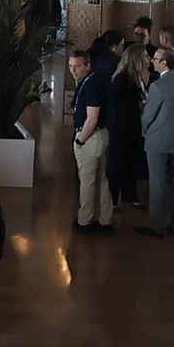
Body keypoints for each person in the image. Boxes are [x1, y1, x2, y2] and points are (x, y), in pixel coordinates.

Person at [138, 47, 174, 239]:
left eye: (156, 59)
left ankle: (155, 225)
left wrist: (144, 130)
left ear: (164, 63)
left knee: (158, 183)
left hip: (158, 139)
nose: (152, 61)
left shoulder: (158, 86)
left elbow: (148, 115)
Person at [69, 49, 113, 235]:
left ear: (87, 65)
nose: (73, 70)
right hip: (98, 135)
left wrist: (80, 141)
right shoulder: (90, 81)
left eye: (77, 66)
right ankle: (105, 219)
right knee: (102, 179)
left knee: (87, 180)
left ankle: (84, 220)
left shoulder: (91, 85)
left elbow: (92, 118)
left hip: (90, 137)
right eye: (71, 66)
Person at [106, 42, 151, 211]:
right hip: (121, 128)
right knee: (118, 161)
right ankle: (113, 199)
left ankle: (130, 195)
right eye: (145, 56)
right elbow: (116, 104)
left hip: (134, 127)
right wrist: (137, 106)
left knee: (133, 159)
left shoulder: (139, 78)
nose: (149, 59)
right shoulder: (122, 78)